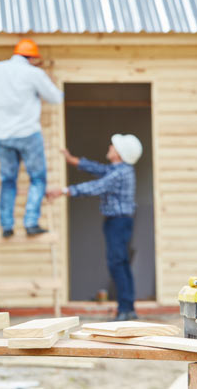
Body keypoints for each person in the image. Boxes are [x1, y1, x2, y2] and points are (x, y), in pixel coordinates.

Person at [47, 134, 143, 321]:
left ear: (120, 154)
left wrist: (63, 191)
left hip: (118, 222)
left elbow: (96, 186)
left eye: (114, 146)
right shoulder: (118, 169)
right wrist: (73, 160)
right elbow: (98, 169)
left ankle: (125, 309)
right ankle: (128, 308)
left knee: (117, 263)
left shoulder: (119, 173)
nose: (110, 147)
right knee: (121, 263)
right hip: (119, 221)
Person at [0, 39, 63, 238]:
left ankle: (7, 226)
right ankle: (31, 222)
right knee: (37, 178)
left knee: (8, 180)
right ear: (32, 58)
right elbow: (55, 98)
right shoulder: (34, 74)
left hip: (2, 135)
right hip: (28, 134)